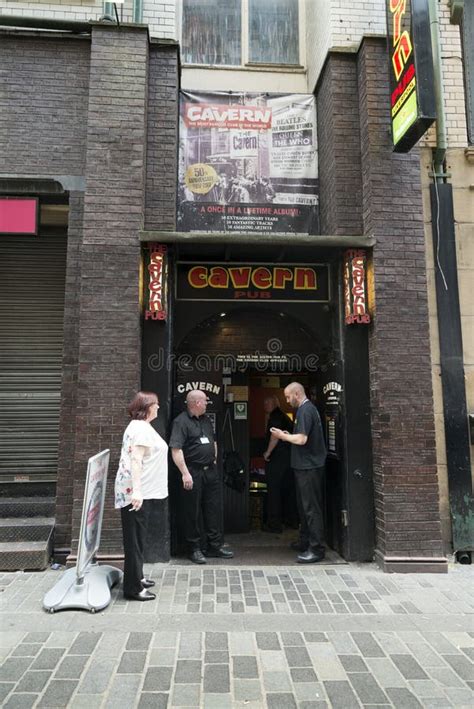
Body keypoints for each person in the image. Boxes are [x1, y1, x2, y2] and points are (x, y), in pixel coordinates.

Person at [114, 391, 168, 600]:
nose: (158, 408)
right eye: (156, 404)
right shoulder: (141, 429)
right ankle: (133, 588)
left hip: (140, 492)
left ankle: (138, 576)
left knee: (138, 537)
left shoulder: (140, 427)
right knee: (134, 540)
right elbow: (136, 460)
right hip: (136, 494)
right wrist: (137, 491)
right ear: (146, 407)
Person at [170, 390, 234, 564]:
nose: (207, 403)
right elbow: (176, 449)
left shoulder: (206, 420)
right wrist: (185, 473)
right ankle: (194, 548)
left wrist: (213, 460)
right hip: (192, 472)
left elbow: (213, 441)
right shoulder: (181, 422)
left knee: (213, 508)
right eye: (205, 401)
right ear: (197, 403)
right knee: (192, 511)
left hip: (210, 471)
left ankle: (215, 546)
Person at [270, 382, 327, 563]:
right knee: (304, 508)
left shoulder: (305, 410)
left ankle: (316, 549)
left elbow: (302, 439)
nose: (287, 400)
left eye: (288, 397)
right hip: (305, 466)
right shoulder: (307, 410)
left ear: (296, 393)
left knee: (311, 508)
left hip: (309, 466)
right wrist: (288, 434)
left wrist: (282, 436)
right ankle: (305, 541)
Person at [262, 395, 293, 533]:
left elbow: (275, 435)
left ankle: (274, 524)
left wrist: (267, 453)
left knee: (274, 490)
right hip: (288, 459)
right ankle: (290, 520)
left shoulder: (275, 416)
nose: (265, 404)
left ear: (275, 403)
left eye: (268, 401)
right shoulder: (282, 416)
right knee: (286, 489)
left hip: (278, 459)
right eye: (264, 402)